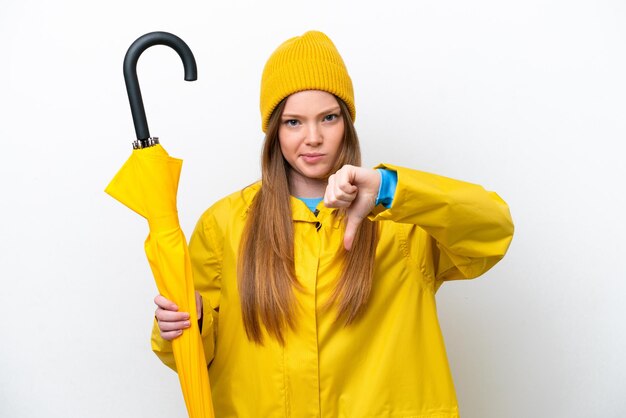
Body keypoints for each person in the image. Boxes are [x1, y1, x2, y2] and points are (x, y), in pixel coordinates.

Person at [151, 30, 514, 417]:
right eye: (293, 122)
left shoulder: (401, 222)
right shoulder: (224, 225)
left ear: (347, 122)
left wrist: (390, 189)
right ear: (274, 130)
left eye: (328, 117)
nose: (313, 138)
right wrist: (184, 324)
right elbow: (192, 358)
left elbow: (491, 231)